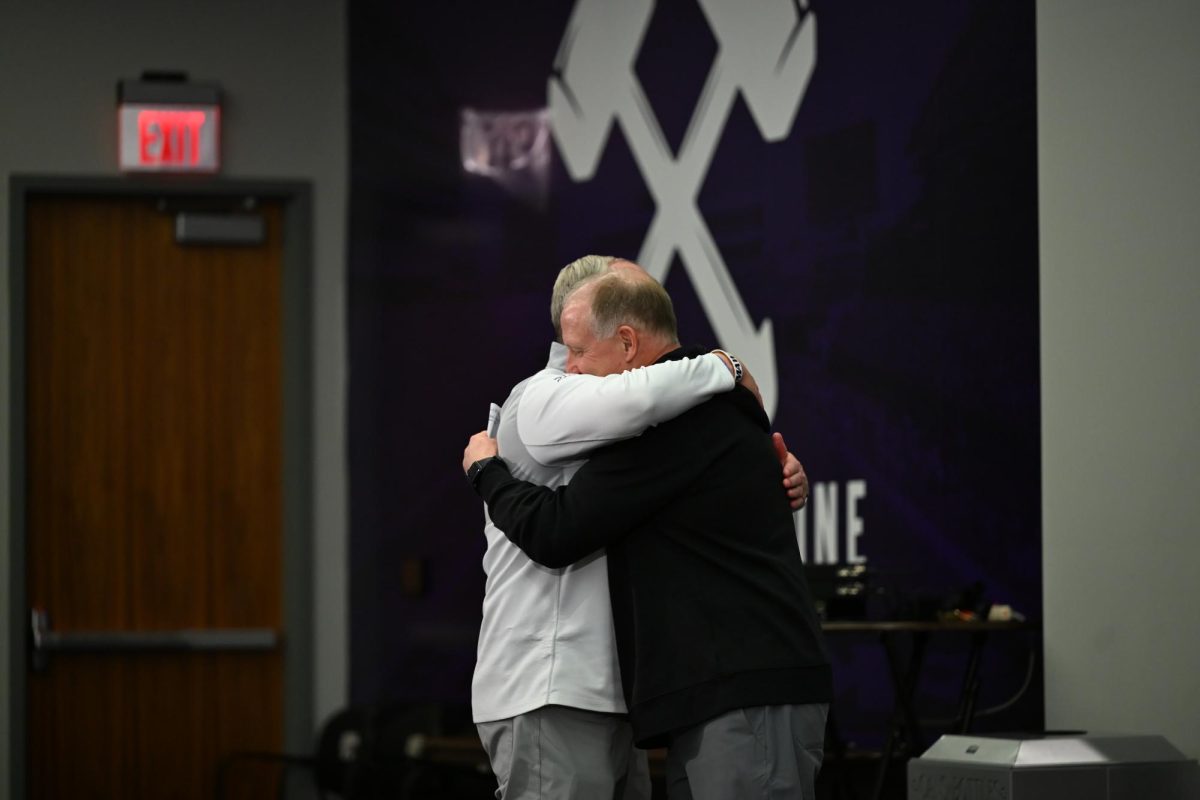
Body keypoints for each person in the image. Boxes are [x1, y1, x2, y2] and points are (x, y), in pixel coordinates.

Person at [464, 271, 832, 800]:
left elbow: (555, 529)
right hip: (704, 695)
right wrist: (721, 364)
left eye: (578, 352)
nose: (569, 369)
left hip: (741, 690)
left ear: (629, 341)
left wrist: (484, 471)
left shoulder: (678, 421)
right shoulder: (553, 399)